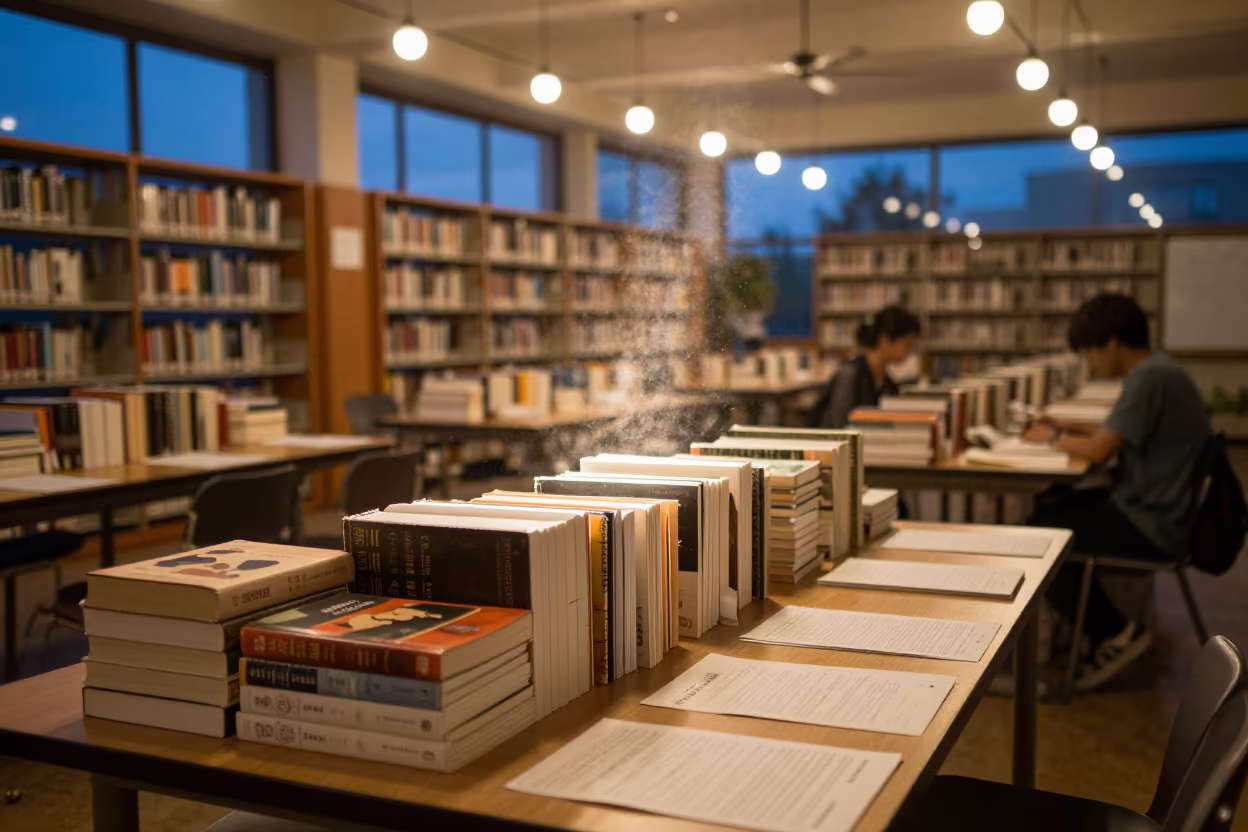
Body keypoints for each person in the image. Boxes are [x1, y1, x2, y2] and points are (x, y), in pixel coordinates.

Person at [1025, 293, 1212, 690]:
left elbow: (1100, 450)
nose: (1092, 360)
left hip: (1152, 523)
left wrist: (1052, 436)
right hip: (1159, 508)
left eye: (1092, 350)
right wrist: (1066, 428)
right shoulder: (1157, 370)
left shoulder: (1149, 378)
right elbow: (1115, 433)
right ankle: (1079, 627)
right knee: (1051, 506)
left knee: (1041, 537)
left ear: (1111, 342)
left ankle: (1115, 633)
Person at [809, 305, 921, 429]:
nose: (909, 351)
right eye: (907, 345)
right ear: (885, 340)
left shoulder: (887, 380)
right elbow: (840, 425)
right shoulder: (850, 373)